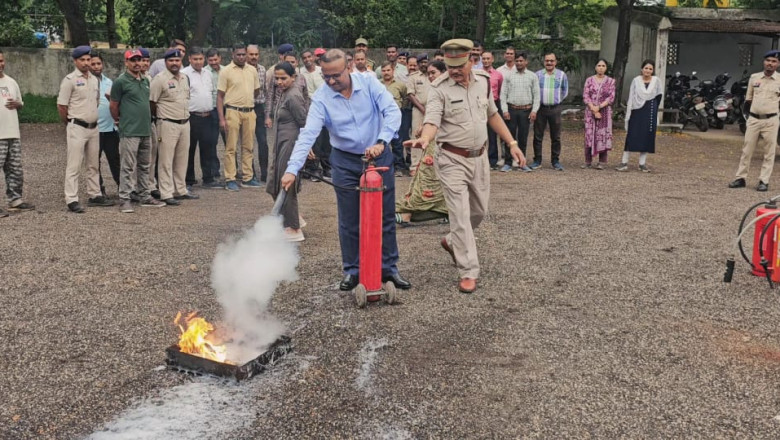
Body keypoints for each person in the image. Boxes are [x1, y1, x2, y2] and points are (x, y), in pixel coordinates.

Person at [280, 49, 410, 292]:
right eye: (326, 76)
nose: (331, 81)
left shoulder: (369, 83)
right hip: (345, 160)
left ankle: (388, 267)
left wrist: (382, 141)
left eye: (336, 76)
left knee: (385, 215)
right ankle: (352, 269)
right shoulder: (322, 97)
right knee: (349, 219)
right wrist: (292, 169)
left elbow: (392, 112)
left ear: (349, 67)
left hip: (378, 154)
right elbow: (308, 134)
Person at [405, 39, 526, 294]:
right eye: (450, 66)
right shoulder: (439, 88)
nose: (455, 71)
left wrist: (512, 143)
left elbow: (492, 114)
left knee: (478, 212)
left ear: (471, 60)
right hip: (451, 159)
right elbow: (432, 120)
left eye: (459, 66)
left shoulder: (483, 81)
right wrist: (425, 138)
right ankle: (468, 270)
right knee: (459, 214)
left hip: (479, 158)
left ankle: (453, 241)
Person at [57, 45, 113, 213]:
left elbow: (96, 101)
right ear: (75, 61)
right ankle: (71, 199)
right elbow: (62, 106)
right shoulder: (70, 80)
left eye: (88, 59)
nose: (86, 63)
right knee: (74, 165)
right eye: (82, 60)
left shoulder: (94, 80)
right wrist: (70, 123)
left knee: (93, 164)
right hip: (77, 126)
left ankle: (95, 194)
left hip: (94, 127)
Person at [110, 49, 165, 213]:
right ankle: (124, 198)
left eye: (139, 60)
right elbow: (113, 105)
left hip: (145, 129)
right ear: (126, 62)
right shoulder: (120, 82)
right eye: (133, 60)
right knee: (127, 166)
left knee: (145, 165)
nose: (137, 63)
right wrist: (119, 120)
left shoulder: (145, 80)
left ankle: (145, 195)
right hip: (130, 130)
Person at [395, 60, 448, 225]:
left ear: (443, 72)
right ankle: (412, 211)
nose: (430, 76)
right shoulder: (435, 88)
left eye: (433, 73)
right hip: (431, 138)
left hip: (444, 139)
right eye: (429, 73)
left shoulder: (447, 90)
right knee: (426, 174)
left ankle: (409, 212)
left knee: (432, 175)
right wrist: (423, 128)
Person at [150, 48, 198, 206]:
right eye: (171, 60)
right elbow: (152, 102)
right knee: (166, 160)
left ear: (181, 61)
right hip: (167, 123)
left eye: (177, 60)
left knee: (182, 159)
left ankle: (180, 190)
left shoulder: (185, 77)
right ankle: (166, 193)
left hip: (184, 122)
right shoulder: (159, 79)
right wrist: (160, 117)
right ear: (165, 62)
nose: (174, 63)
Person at [266, 63, 308, 242]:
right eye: (277, 78)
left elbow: (304, 122)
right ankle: (293, 217)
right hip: (281, 142)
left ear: (293, 77)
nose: (279, 82)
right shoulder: (283, 92)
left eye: (283, 78)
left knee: (286, 183)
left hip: (291, 143)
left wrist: (306, 147)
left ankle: (293, 227)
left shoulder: (293, 95)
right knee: (273, 182)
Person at [728, 50, 780, 192]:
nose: (770, 63)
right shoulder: (754, 78)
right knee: (747, 150)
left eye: (774, 61)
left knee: (769, 152)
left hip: (771, 120)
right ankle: (740, 178)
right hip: (754, 119)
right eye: (768, 60)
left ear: (778, 64)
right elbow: (748, 99)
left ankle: (764, 181)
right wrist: (748, 117)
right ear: (764, 62)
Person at [217, 43, 261, 191]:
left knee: (248, 146)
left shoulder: (252, 70)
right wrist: (222, 119)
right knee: (231, 147)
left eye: (243, 54)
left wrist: (246, 100)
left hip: (249, 111)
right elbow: (220, 96)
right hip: (232, 111)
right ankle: (230, 178)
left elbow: (256, 91)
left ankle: (248, 177)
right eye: (239, 55)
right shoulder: (226, 71)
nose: (241, 57)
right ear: (233, 55)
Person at [0, 49, 34, 217]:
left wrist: (17, 104)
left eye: (1, 61)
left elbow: (20, 103)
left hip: (12, 133)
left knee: (15, 169)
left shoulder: (11, 82)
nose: (0, 64)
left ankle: (15, 199)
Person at [183, 47, 221, 189]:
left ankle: (208, 178)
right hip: (192, 116)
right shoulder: (184, 74)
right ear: (189, 59)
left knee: (208, 148)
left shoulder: (208, 74)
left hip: (208, 115)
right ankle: (188, 180)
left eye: (200, 59)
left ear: (204, 59)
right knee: (189, 149)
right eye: (195, 59)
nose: (198, 62)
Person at [617, 59, 662, 173]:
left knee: (647, 136)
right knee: (632, 135)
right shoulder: (636, 80)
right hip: (636, 110)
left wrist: (653, 108)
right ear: (642, 69)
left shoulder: (656, 81)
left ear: (653, 70)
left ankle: (642, 164)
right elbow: (631, 95)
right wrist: (632, 108)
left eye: (650, 69)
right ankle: (624, 162)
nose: (648, 70)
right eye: (646, 68)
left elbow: (659, 95)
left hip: (650, 110)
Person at [499, 50, 539, 173]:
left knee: (523, 138)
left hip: (526, 111)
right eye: (517, 61)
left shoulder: (532, 76)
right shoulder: (509, 76)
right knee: (509, 138)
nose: (519, 63)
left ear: (526, 62)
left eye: (521, 61)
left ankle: (522, 163)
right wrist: (505, 110)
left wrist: (534, 111)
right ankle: (508, 162)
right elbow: (503, 94)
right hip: (511, 110)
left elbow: (537, 95)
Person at [90, 53, 121, 195]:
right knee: (94, 162)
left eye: (98, 63)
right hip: (94, 129)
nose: (96, 66)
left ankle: (122, 188)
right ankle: (99, 191)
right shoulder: (86, 82)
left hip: (110, 128)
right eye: (93, 64)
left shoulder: (109, 82)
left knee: (115, 159)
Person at [532, 52, 568, 171]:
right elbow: (534, 91)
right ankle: (537, 160)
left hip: (555, 109)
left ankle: (555, 161)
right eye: (547, 60)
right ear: (544, 62)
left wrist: (557, 100)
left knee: (556, 136)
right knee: (537, 136)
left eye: (551, 61)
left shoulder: (561, 75)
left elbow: (565, 91)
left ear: (555, 62)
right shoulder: (538, 75)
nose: (549, 63)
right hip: (540, 109)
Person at [582, 59, 615, 170]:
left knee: (603, 135)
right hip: (590, 111)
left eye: (603, 66)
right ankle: (588, 161)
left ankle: (602, 161)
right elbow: (586, 96)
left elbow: (611, 97)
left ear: (606, 68)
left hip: (604, 112)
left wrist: (599, 107)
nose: (601, 68)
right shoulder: (589, 80)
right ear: (595, 67)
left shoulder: (610, 81)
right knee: (589, 135)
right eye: (599, 65)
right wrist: (593, 109)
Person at [380, 61, 410, 177]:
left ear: (393, 71)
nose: (386, 73)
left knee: (397, 142)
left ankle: (399, 167)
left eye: (388, 70)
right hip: (381, 116)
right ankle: (384, 166)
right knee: (382, 141)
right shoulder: (377, 84)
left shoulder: (400, 85)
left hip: (396, 116)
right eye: (384, 71)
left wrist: (400, 108)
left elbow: (406, 97)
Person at [247, 44, 268, 183]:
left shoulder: (262, 69)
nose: (254, 57)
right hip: (247, 108)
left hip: (260, 108)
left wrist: (267, 114)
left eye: (256, 54)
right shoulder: (243, 70)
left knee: (263, 141)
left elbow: (266, 91)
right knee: (248, 142)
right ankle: (251, 173)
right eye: (251, 54)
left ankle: (265, 172)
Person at [481, 51, 504, 171]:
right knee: (480, 132)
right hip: (479, 104)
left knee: (492, 134)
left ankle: (493, 160)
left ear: (492, 59)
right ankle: (480, 159)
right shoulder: (477, 74)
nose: (486, 61)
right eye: (484, 58)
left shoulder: (498, 75)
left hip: (493, 103)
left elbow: (499, 90)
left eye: (488, 58)